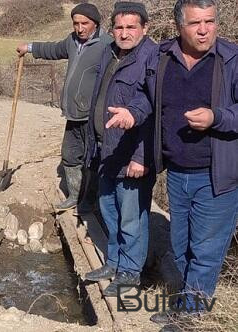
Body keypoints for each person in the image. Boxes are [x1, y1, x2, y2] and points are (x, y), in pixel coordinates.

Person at [106, 0, 238, 327]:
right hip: (177, 174)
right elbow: (147, 97)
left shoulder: (232, 60)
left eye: (210, 21)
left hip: (217, 176)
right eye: (195, 23)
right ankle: (184, 304)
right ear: (180, 26)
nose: (204, 30)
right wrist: (132, 113)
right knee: (181, 250)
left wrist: (216, 117)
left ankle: (191, 320)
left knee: (204, 254)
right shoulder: (162, 57)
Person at [81, 2, 157, 297]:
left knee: (131, 217)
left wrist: (142, 156)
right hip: (106, 150)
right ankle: (114, 262)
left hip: (131, 154)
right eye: (119, 27)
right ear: (112, 29)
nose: (124, 34)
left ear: (145, 28)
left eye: (131, 27)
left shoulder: (152, 58)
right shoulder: (110, 52)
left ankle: (130, 272)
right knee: (109, 210)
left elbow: (153, 110)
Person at [16, 3, 112, 213]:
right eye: (76, 23)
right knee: (69, 155)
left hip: (92, 117)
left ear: (95, 23)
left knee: (93, 159)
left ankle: (90, 201)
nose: (79, 28)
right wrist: (29, 47)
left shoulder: (107, 45)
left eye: (84, 23)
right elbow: (53, 49)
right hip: (73, 114)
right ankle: (74, 196)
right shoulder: (72, 40)